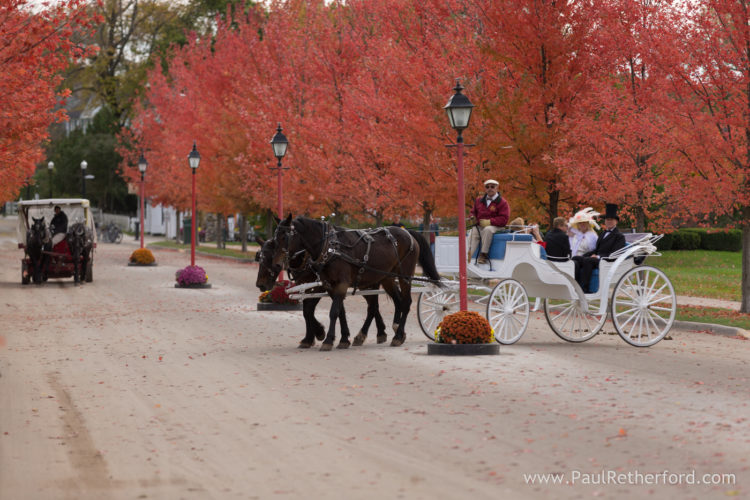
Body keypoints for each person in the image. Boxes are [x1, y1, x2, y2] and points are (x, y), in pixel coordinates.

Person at [574, 203, 627, 293]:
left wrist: (598, 257)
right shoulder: (603, 234)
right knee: (576, 259)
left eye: (611, 220)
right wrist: (585, 255)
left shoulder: (619, 236)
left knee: (588, 261)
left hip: (607, 260)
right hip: (597, 259)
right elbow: (596, 250)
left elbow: (615, 254)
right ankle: (575, 285)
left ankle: (584, 288)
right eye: (607, 219)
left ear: (616, 221)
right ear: (605, 221)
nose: (609, 221)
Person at [468, 179, 510, 264]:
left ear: (497, 188)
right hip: (480, 226)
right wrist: (472, 217)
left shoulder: (503, 202)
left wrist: (490, 222)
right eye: (487, 187)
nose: (490, 188)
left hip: (497, 226)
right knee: (473, 231)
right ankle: (467, 257)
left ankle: (483, 255)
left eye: (492, 186)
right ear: (485, 188)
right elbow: (473, 212)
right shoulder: (478, 200)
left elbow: (504, 219)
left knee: (488, 229)